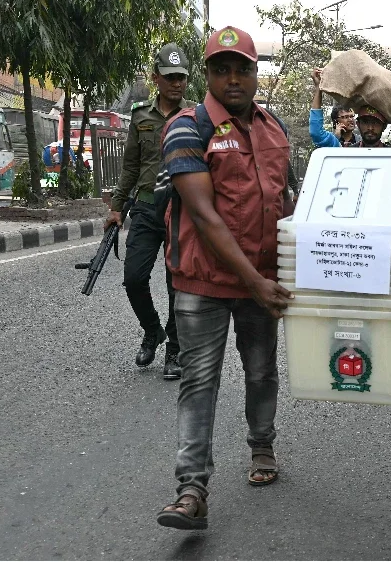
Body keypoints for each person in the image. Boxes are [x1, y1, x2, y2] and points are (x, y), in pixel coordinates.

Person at [156, 26, 294, 531]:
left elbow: (287, 203)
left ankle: (263, 447)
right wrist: (255, 283)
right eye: (221, 68)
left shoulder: (274, 128)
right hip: (203, 284)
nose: (232, 78)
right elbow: (205, 215)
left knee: (261, 371)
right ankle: (192, 489)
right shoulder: (186, 128)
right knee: (200, 382)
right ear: (208, 74)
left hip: (263, 279)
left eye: (242, 68)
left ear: (256, 73)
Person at [106, 43, 195, 380]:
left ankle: (174, 350)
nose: (177, 83)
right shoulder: (141, 117)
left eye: (182, 77)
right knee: (133, 278)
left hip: (182, 210)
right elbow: (130, 166)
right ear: (156, 78)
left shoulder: (195, 117)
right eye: (170, 77)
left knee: (177, 284)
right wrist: (117, 207)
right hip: (144, 207)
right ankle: (152, 330)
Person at [309, 67, 391, 149]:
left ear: (384, 126)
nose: (370, 128)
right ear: (358, 124)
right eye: (366, 122)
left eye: (376, 123)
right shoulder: (346, 151)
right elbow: (316, 133)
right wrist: (319, 89)